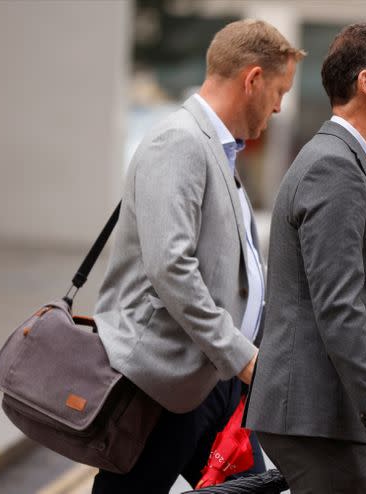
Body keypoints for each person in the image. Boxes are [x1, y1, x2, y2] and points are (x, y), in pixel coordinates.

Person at [91, 19, 304, 493]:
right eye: (278, 91)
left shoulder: (217, 150)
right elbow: (172, 267)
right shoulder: (179, 142)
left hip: (210, 379)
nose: (278, 106)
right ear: (252, 79)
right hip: (163, 382)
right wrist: (241, 356)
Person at [245, 23, 366, 493]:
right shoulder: (335, 168)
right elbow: (340, 310)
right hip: (316, 418)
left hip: (322, 415)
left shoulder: (345, 162)